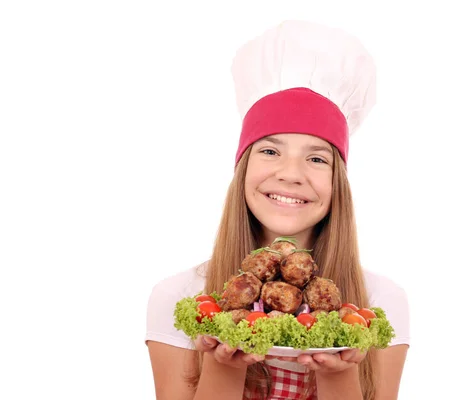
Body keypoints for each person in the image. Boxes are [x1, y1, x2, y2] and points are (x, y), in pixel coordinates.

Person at [145, 20, 410, 400]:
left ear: (338, 184)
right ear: (243, 169)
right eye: (270, 151)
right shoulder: (182, 297)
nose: (291, 174)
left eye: (317, 159)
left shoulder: (379, 303)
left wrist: (338, 372)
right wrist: (224, 360)